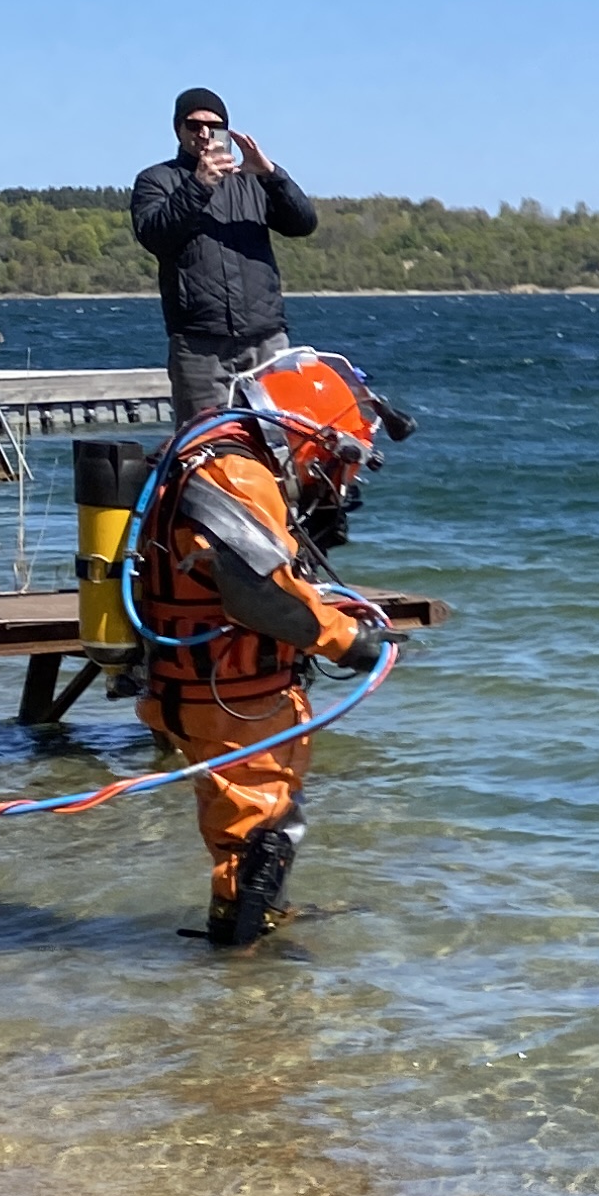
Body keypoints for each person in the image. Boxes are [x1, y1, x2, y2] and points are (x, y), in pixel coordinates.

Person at [137, 347, 401, 948]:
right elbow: (259, 597)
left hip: (206, 684)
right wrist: (349, 641)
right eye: (338, 463)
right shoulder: (236, 475)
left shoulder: (204, 451)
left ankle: (253, 929)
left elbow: (251, 574)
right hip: (231, 695)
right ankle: (244, 971)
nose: (333, 480)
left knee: (252, 825)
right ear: (315, 437)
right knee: (258, 836)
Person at [131, 89, 318, 425]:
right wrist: (199, 185)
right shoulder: (155, 180)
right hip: (200, 345)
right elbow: (155, 235)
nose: (204, 133)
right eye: (194, 125)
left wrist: (272, 175)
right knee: (205, 445)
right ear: (178, 129)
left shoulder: (252, 180)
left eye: (214, 126)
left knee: (282, 443)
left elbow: (303, 224)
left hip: (266, 339)